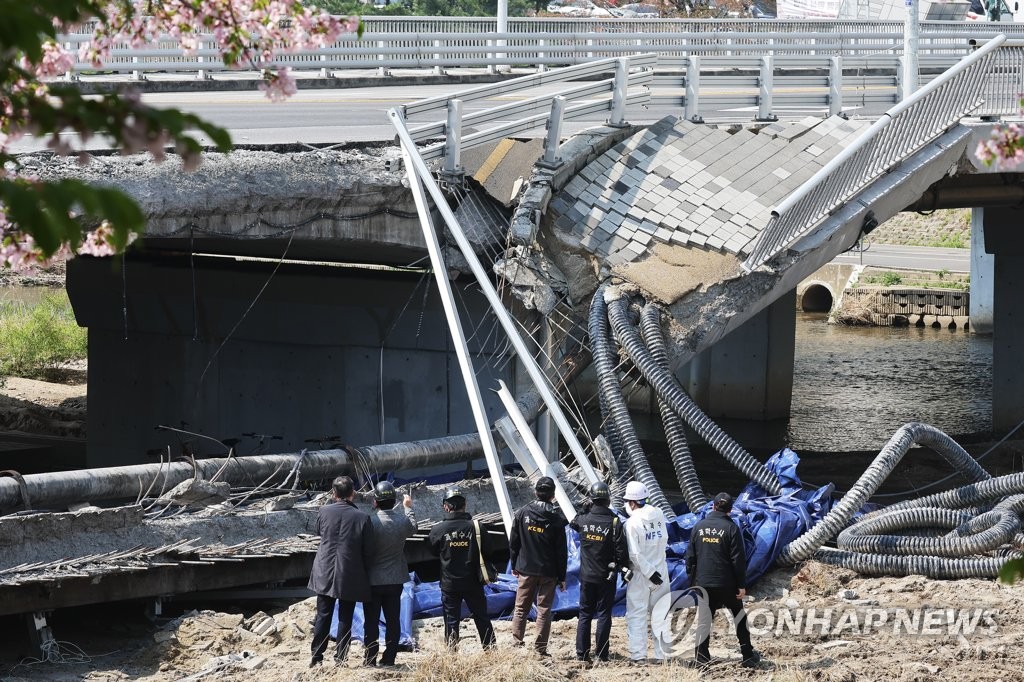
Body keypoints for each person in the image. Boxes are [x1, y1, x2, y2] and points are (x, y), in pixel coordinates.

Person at [685, 492, 761, 670]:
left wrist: (693, 581)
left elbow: (689, 558)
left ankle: (702, 659)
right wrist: (741, 585)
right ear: (730, 510)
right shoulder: (731, 528)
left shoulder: (699, 527)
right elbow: (738, 560)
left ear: (713, 506)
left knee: (704, 620)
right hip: (728, 584)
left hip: (703, 583)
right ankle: (748, 656)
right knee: (739, 618)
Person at [428, 486, 505, 650]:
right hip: (473, 582)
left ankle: (452, 654)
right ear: (464, 505)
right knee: (481, 617)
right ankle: (490, 650)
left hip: (449, 583)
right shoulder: (476, 527)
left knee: (451, 620)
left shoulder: (438, 530)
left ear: (446, 507)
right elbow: (489, 551)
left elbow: (433, 551)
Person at [308, 475, 374, 667]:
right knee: (346, 616)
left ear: (333, 493)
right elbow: (368, 549)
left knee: (323, 614)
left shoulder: (324, 510)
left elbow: (320, 532)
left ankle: (316, 657)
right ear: (353, 493)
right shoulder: (363, 517)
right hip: (349, 571)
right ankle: (341, 658)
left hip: (324, 569)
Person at [509, 476, 569, 656]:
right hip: (548, 572)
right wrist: (562, 577)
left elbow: (514, 542)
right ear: (553, 495)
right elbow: (561, 552)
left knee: (521, 607)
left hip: (526, 568)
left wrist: (514, 564)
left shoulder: (522, 513)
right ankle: (540, 648)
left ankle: (516, 640)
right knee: (544, 610)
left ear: (535, 492)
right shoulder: (557, 520)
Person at [570, 481, 629, 663]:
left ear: (592, 499)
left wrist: (584, 509)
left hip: (587, 576)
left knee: (585, 614)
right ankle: (601, 655)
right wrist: (622, 567)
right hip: (607, 576)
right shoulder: (614, 521)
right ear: (608, 499)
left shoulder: (584, 520)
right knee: (604, 614)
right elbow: (621, 551)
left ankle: (582, 654)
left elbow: (573, 522)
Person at [362, 481, 417, 667]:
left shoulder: (370, 522)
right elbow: (414, 526)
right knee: (393, 620)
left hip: (373, 580)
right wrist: (408, 507)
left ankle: (370, 657)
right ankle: (390, 657)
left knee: (371, 621)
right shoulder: (402, 521)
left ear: (375, 502)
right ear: (394, 501)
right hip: (395, 579)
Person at [623, 479, 670, 664]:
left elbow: (635, 554)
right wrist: (655, 571)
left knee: (636, 614)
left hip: (641, 575)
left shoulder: (632, 523)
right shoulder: (659, 514)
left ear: (633, 502)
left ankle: (639, 655)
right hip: (661, 571)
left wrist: (649, 572)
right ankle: (662, 655)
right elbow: (664, 539)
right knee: (660, 613)